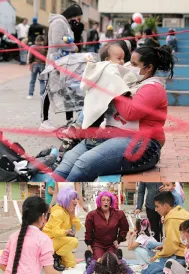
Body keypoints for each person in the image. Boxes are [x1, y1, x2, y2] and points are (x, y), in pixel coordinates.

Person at [54, 44, 175, 181]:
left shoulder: (154, 88)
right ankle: (55, 196)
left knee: (84, 164)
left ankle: (67, 196)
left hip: (144, 145)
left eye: (135, 64)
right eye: (130, 62)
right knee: (67, 162)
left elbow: (130, 113)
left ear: (148, 68)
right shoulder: (130, 83)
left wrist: (113, 85)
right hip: (110, 136)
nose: (129, 66)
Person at [0, 196, 68, 274]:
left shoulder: (13, 236)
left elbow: (2, 263)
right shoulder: (43, 239)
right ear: (42, 217)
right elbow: (50, 272)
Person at [40, 3, 82, 131]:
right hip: (55, 62)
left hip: (65, 62)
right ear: (72, 15)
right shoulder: (58, 22)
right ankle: (44, 121)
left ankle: (69, 120)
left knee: (67, 90)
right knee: (50, 90)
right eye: (78, 18)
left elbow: (67, 39)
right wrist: (72, 47)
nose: (78, 21)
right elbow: (57, 41)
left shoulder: (66, 24)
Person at [142, 192, 189, 274]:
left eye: (157, 206)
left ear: (165, 205)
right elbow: (175, 241)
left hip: (181, 257)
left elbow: (172, 246)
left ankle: (175, 271)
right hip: (188, 254)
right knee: (151, 245)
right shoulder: (182, 212)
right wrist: (164, 247)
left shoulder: (172, 218)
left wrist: (157, 255)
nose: (156, 210)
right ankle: (168, 267)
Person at [43, 188, 81, 271]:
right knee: (74, 241)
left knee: (72, 264)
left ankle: (57, 257)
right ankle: (55, 256)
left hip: (58, 241)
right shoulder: (58, 212)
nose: (76, 202)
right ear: (66, 199)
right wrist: (66, 232)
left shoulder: (68, 212)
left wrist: (73, 216)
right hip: (48, 242)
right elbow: (55, 233)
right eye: (73, 199)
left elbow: (77, 228)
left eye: (76, 199)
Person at [84, 191, 129, 261]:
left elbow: (124, 228)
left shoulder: (119, 214)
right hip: (97, 244)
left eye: (108, 200)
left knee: (111, 262)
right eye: (103, 200)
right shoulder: (92, 215)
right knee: (99, 261)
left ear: (111, 202)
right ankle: (90, 259)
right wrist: (89, 246)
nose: (106, 202)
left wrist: (118, 239)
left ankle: (118, 258)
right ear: (99, 201)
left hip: (111, 244)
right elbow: (88, 232)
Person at [27, 35, 47, 100]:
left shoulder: (32, 47)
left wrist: (30, 63)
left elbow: (30, 57)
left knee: (32, 80)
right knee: (42, 81)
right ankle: (42, 94)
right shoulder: (45, 47)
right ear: (43, 41)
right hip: (42, 65)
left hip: (34, 65)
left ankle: (30, 94)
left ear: (36, 41)